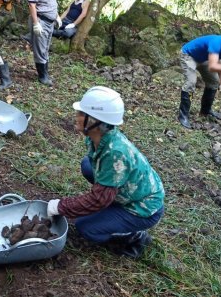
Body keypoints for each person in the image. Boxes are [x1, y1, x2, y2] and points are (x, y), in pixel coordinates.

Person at [46, 86, 165, 259]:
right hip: (126, 189)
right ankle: (112, 199)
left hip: (142, 207)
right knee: (88, 165)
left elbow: (98, 200)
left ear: (95, 121)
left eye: (81, 113)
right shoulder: (97, 137)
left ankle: (136, 236)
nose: (76, 116)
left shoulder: (115, 153)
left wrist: (60, 206)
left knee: (86, 228)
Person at [28, 0, 59, 86]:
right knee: (40, 49)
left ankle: (45, 73)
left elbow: (51, 3)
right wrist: (36, 23)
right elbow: (32, 4)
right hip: (41, 20)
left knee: (45, 48)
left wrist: (57, 17)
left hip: (50, 21)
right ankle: (42, 76)